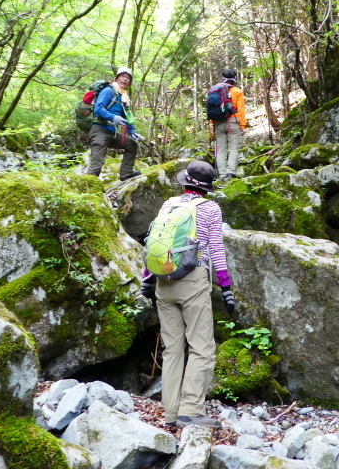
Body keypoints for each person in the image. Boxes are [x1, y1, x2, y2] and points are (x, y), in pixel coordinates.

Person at [140, 161, 236, 428]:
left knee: (172, 350)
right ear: (206, 187)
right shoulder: (210, 208)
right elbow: (216, 248)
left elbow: (153, 242)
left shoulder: (169, 204)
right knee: (202, 348)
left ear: (185, 183)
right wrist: (225, 287)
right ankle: (191, 411)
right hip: (192, 281)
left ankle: (170, 413)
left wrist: (147, 278)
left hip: (163, 280)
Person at [87, 67, 143, 180]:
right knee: (97, 163)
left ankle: (126, 173)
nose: (125, 79)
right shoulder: (108, 91)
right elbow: (98, 108)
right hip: (99, 130)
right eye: (122, 76)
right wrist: (113, 117)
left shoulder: (124, 97)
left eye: (128, 78)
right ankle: (88, 188)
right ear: (117, 78)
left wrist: (133, 133)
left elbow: (127, 118)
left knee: (131, 145)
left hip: (112, 132)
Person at [211, 69, 246, 179]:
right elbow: (241, 109)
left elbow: (211, 108)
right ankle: (230, 173)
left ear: (223, 78)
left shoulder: (215, 90)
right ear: (234, 79)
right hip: (233, 122)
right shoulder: (237, 91)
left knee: (221, 150)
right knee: (233, 149)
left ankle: (221, 175)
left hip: (219, 122)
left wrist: (213, 123)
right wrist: (243, 125)